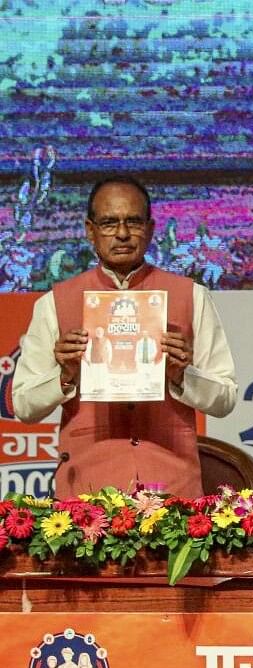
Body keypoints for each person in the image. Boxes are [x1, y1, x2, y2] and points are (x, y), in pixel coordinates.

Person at [13, 176, 237, 497]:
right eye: (108, 223)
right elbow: (23, 406)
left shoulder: (191, 296)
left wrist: (181, 377)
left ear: (150, 228)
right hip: (86, 490)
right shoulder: (55, 303)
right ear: (90, 230)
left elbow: (226, 397)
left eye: (133, 221)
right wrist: (65, 375)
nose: (121, 233)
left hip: (172, 488)